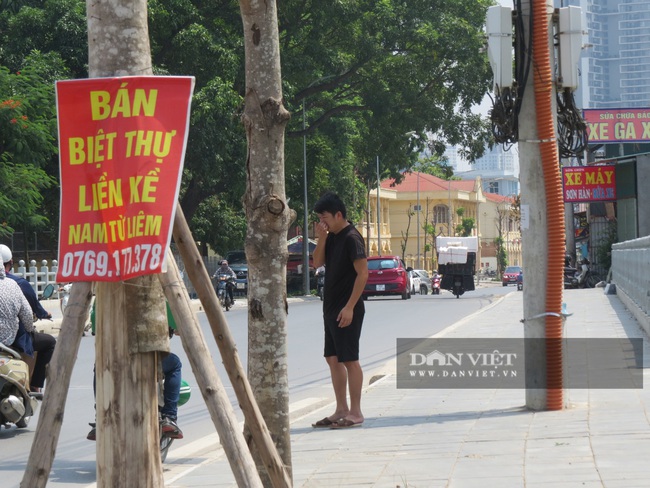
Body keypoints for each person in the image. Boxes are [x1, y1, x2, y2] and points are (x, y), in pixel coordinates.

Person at [311, 192, 368, 429]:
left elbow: (363, 274)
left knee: (350, 360)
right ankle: (341, 408)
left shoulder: (352, 238)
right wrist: (321, 238)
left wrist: (349, 307)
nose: (322, 223)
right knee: (332, 358)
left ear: (338, 214)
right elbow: (317, 263)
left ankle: (356, 412)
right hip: (331, 308)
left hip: (347, 308)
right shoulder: (332, 236)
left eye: (325, 218)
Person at [86, 302, 183, 440]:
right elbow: (173, 315)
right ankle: (170, 416)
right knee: (175, 365)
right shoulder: (159, 286)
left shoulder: (105, 286)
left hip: (114, 361)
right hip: (149, 358)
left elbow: (95, 325)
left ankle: (101, 417)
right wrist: (177, 327)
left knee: (100, 366)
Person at [0, 245, 56, 392]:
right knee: (50, 342)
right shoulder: (15, 284)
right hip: (11, 341)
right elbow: (29, 315)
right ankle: (34, 385)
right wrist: (33, 324)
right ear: (9, 262)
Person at [0, 255, 34, 349]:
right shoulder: (12, 284)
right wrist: (30, 329)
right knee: (49, 342)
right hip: (7, 341)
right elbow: (27, 314)